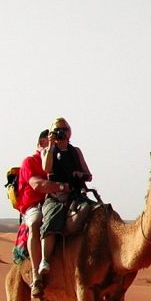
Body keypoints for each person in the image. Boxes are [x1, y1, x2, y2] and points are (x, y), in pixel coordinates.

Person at [37, 117, 92, 290]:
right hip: (56, 196)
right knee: (53, 219)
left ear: (69, 133)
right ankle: (45, 260)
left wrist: (79, 174)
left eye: (63, 130)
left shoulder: (76, 151)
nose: (61, 134)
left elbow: (89, 175)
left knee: (97, 214)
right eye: (57, 131)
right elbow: (46, 169)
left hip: (77, 195)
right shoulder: (47, 151)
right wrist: (51, 147)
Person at [17, 129, 65, 297]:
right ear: (40, 143)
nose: (53, 143)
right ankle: (36, 276)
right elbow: (37, 185)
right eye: (49, 141)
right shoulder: (30, 162)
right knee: (37, 222)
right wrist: (61, 186)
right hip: (34, 205)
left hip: (55, 202)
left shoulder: (59, 160)